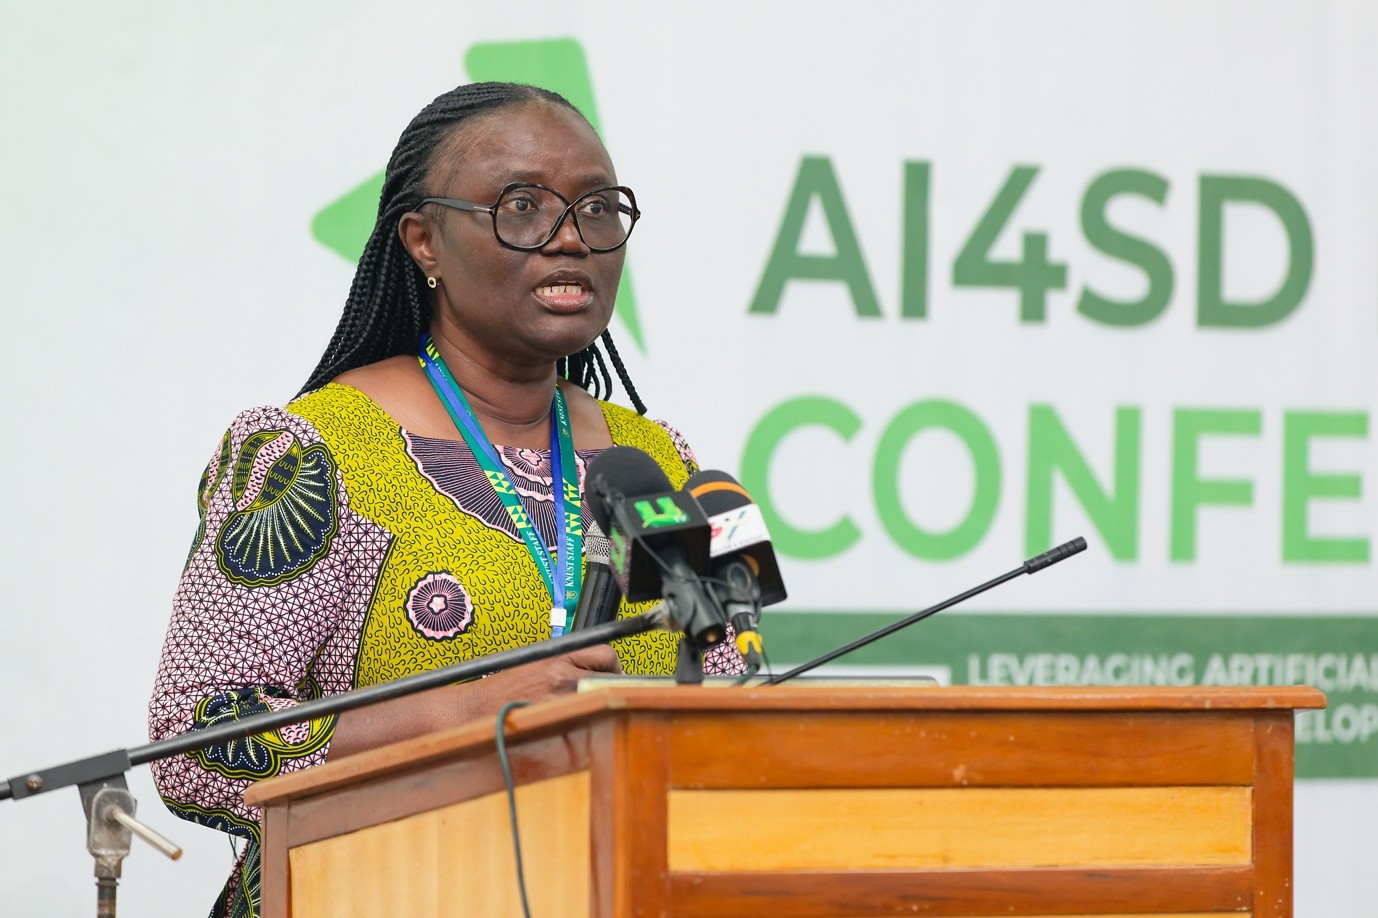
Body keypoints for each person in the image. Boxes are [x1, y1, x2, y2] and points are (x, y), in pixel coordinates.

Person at [147, 81, 741, 918]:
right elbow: (197, 744)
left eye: (599, 209)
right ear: (424, 240)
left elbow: (733, 694)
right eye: (523, 206)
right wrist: (476, 710)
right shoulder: (311, 455)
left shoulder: (656, 460)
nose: (571, 238)